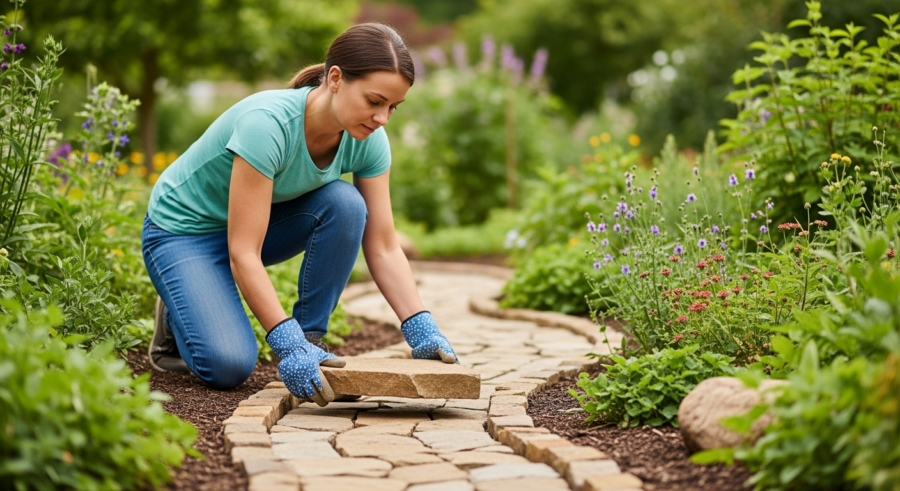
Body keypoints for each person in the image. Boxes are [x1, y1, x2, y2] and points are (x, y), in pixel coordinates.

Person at [142, 23, 457, 406]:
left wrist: (420, 325)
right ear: (336, 78)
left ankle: (310, 342)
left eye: (393, 107)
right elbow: (244, 252)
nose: (383, 119)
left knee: (345, 204)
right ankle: (178, 314)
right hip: (182, 234)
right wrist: (282, 343)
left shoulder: (368, 141)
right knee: (228, 366)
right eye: (374, 101)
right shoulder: (268, 125)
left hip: (253, 228)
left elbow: (385, 246)